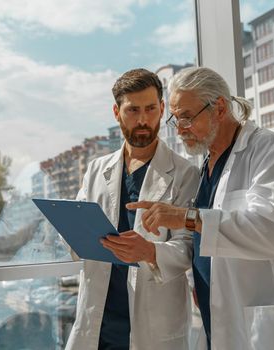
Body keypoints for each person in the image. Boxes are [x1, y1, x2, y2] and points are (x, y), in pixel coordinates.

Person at [128, 66, 274, 350]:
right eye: (175, 119)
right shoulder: (207, 167)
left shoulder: (271, 151)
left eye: (187, 117)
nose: (180, 128)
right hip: (221, 321)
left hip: (270, 328)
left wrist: (186, 218)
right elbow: (209, 240)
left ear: (219, 108)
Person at [65, 68, 199, 350]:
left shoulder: (186, 174)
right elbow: (74, 238)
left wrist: (150, 251)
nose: (143, 120)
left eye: (151, 109)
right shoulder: (96, 170)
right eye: (132, 110)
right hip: (100, 321)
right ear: (116, 112)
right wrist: (69, 233)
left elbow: (190, 247)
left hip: (154, 324)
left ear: (162, 109)